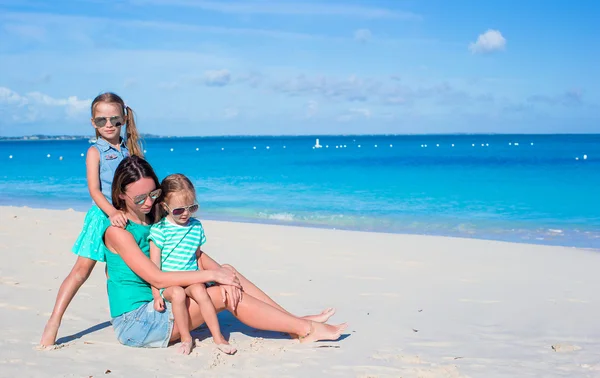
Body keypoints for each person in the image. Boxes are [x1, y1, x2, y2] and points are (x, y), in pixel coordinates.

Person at [104, 156, 346, 350]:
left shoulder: (155, 220)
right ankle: (306, 330)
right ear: (121, 194)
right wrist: (215, 278)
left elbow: (194, 255)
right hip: (138, 322)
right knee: (220, 293)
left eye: (153, 194)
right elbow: (156, 278)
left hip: (166, 302)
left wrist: (223, 273)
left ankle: (291, 320)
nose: (148, 202)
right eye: (139, 197)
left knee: (228, 273)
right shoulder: (119, 232)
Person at [39, 92, 144, 347]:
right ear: (93, 122)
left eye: (114, 119)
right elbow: (95, 190)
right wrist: (111, 213)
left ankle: (125, 316)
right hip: (104, 216)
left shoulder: (133, 150)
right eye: (101, 120)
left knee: (121, 272)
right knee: (80, 271)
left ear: (123, 119)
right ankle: (54, 320)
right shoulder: (95, 151)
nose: (108, 125)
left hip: (129, 218)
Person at [149, 173, 236, 355]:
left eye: (192, 207)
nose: (186, 213)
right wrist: (156, 295)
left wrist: (209, 278)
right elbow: (154, 268)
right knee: (179, 294)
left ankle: (218, 337)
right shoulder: (159, 231)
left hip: (192, 278)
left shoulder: (196, 227)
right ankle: (186, 338)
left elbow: (196, 257)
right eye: (179, 210)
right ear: (165, 207)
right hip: (169, 283)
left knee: (199, 291)